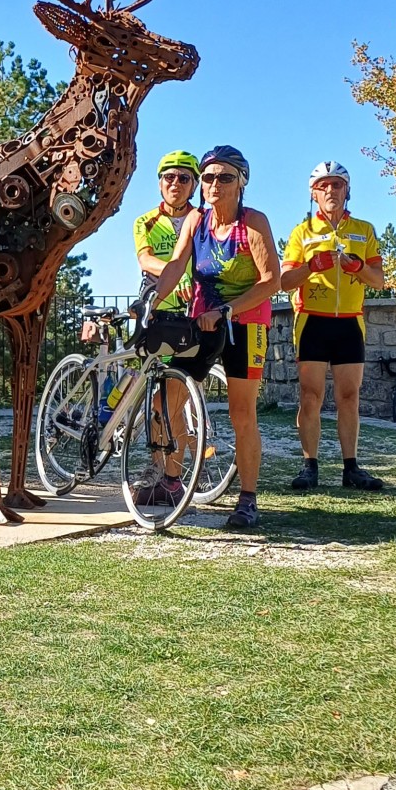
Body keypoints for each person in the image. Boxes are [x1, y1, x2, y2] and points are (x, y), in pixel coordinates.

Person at [148, 145, 281, 531]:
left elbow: (270, 280)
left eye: (225, 177)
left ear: (242, 182)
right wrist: (153, 299)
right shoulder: (195, 221)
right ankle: (171, 481)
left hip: (245, 323)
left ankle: (247, 499)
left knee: (242, 412)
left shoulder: (253, 222)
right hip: (200, 321)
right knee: (168, 397)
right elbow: (175, 266)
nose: (214, 184)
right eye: (207, 177)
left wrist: (228, 309)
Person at [281, 161, 386, 492]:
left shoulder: (364, 230)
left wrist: (356, 267)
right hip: (313, 319)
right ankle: (309, 465)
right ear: (313, 193)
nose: (330, 190)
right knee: (310, 395)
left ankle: (350, 467)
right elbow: (284, 281)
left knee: (349, 396)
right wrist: (312, 266)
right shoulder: (302, 233)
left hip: (350, 323)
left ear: (346, 190)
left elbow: (379, 281)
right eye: (323, 186)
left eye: (337, 185)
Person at [134, 150, 200, 308]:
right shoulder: (145, 222)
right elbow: (145, 260)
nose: (175, 183)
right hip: (158, 307)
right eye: (169, 177)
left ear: (194, 186)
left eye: (184, 178)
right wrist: (177, 275)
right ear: (160, 183)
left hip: (197, 307)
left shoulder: (203, 220)